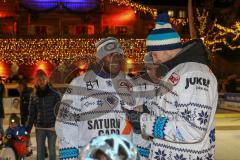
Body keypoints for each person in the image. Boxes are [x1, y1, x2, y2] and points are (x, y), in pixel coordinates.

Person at [127, 13, 218, 160]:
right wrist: (147, 110)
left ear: (167, 49)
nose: (153, 59)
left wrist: (143, 121)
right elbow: (170, 108)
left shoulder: (194, 74)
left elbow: (193, 129)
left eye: (154, 54)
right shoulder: (176, 71)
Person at [56, 37, 134, 159]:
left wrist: (142, 152)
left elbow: (140, 123)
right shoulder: (78, 84)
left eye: (119, 55)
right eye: (111, 55)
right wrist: (69, 155)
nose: (116, 59)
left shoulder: (131, 85)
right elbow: (66, 122)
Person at [26, 70, 61, 160]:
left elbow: (60, 113)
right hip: (40, 128)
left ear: (47, 80)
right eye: (39, 79)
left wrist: (59, 126)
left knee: (52, 150)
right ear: (36, 81)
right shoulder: (34, 96)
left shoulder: (55, 95)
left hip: (52, 127)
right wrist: (27, 130)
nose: (41, 81)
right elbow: (31, 114)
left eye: (43, 79)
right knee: (40, 151)